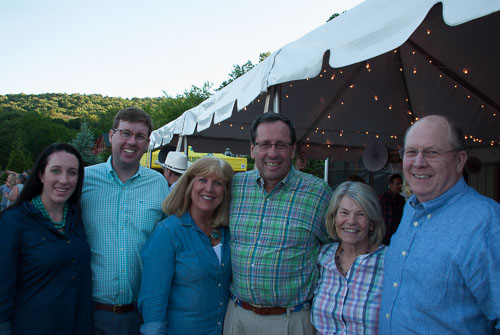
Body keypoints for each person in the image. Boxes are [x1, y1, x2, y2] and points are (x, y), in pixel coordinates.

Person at [379, 115, 500, 334]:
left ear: (460, 160)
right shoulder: (411, 208)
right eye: (411, 152)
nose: (418, 162)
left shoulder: (487, 223)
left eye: (432, 152)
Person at [224, 113, 332, 335]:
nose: (272, 153)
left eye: (281, 145)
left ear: (293, 150)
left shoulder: (318, 193)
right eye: (264, 144)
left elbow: (338, 247)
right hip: (237, 317)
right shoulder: (234, 187)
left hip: (290, 321)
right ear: (252, 149)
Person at [81, 107, 169, 334]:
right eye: (126, 133)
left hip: (139, 315)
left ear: (147, 142)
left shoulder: (158, 184)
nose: (132, 141)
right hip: (89, 313)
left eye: (140, 136)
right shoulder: (84, 181)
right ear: (111, 135)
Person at [0, 143, 93, 334]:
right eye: (56, 171)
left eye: (72, 173)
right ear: (41, 175)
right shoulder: (13, 222)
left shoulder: (77, 217)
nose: (64, 180)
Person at [138, 156, 233, 335]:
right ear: (189, 185)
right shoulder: (168, 232)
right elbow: (153, 301)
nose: (209, 188)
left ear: (226, 191)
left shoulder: (227, 232)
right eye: (202, 180)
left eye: (218, 183)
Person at [311, 181, 386, 334]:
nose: (351, 221)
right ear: (334, 218)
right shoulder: (321, 257)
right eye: (344, 213)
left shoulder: (388, 262)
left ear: (372, 223)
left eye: (361, 214)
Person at [378, 173, 405, 245]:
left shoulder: (401, 200)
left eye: (401, 184)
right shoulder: (382, 198)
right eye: (397, 184)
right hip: (383, 236)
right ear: (391, 184)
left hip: (396, 235)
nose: (400, 186)